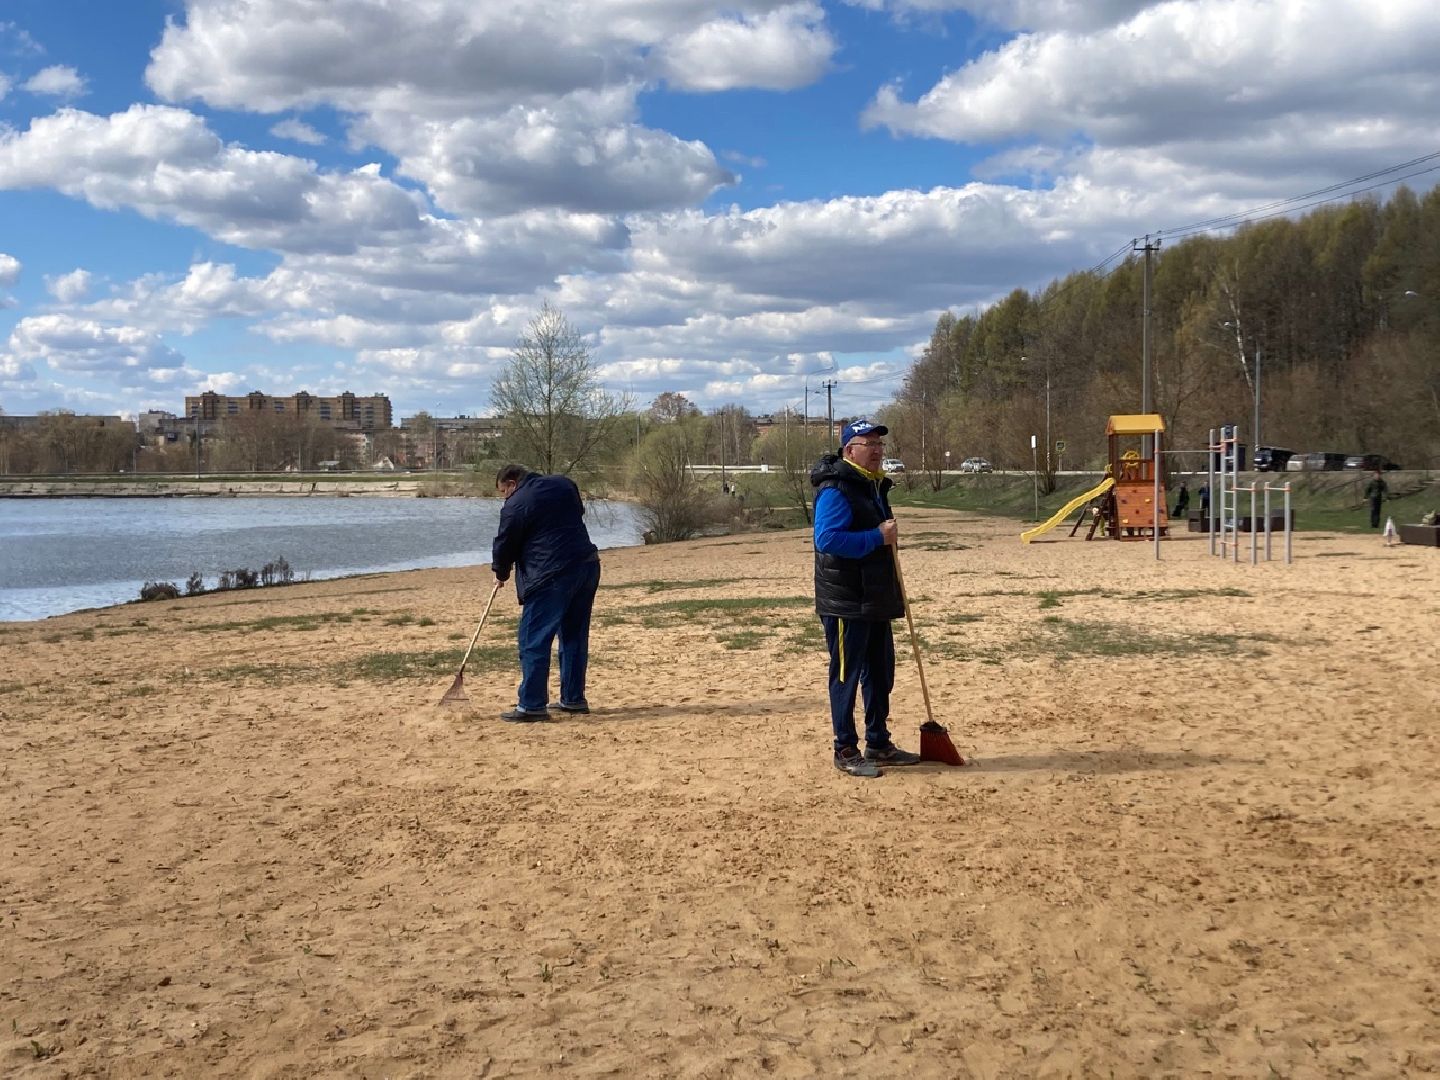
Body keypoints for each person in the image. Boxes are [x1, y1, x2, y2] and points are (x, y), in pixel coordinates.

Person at [810, 420, 922, 778]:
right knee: (846, 675)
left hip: (874, 597)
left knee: (880, 672)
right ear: (849, 451)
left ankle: (878, 742)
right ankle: (845, 748)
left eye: (879, 443)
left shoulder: (873, 486)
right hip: (845, 600)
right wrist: (876, 536)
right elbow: (827, 540)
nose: (876, 449)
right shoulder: (837, 488)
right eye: (867, 443)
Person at [490, 463, 601, 722]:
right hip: (587, 565)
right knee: (574, 635)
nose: (503, 497)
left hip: (551, 574)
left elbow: (505, 541)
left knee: (533, 638)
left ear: (512, 483)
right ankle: (573, 699)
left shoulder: (515, 504)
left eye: (503, 491)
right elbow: (575, 513)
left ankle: (531, 705)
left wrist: (500, 572)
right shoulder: (564, 484)